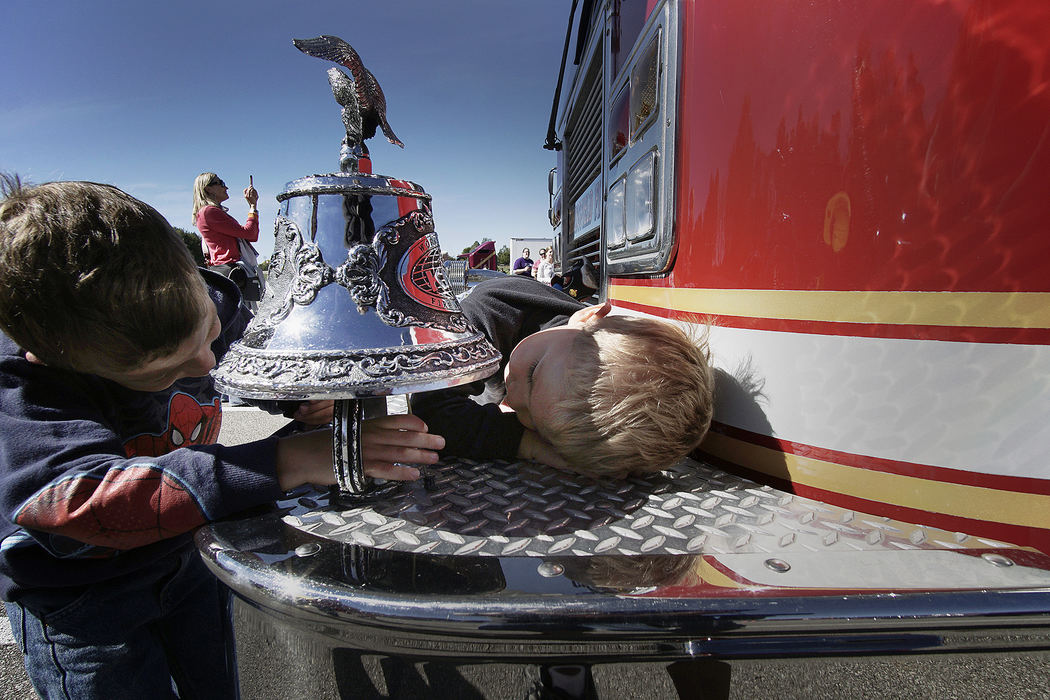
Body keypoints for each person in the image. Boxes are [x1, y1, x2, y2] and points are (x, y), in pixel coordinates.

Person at [0, 177, 442, 699]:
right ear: (58, 358)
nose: (207, 364)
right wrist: (287, 460)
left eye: (208, 334)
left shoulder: (205, 299)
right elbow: (79, 503)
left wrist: (293, 397)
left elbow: (248, 356)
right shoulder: (29, 392)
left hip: (187, 558)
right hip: (86, 603)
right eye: (166, 370)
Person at [410, 276, 714, 478]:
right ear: (585, 317)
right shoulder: (489, 311)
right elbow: (431, 413)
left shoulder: (565, 352)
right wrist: (525, 442)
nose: (513, 399)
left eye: (528, 417)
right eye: (532, 374)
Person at [192, 171, 264, 307]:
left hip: (226, 272)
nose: (226, 188)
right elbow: (250, 234)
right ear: (208, 188)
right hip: (231, 272)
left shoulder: (206, 213)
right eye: (221, 184)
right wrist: (253, 207)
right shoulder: (209, 212)